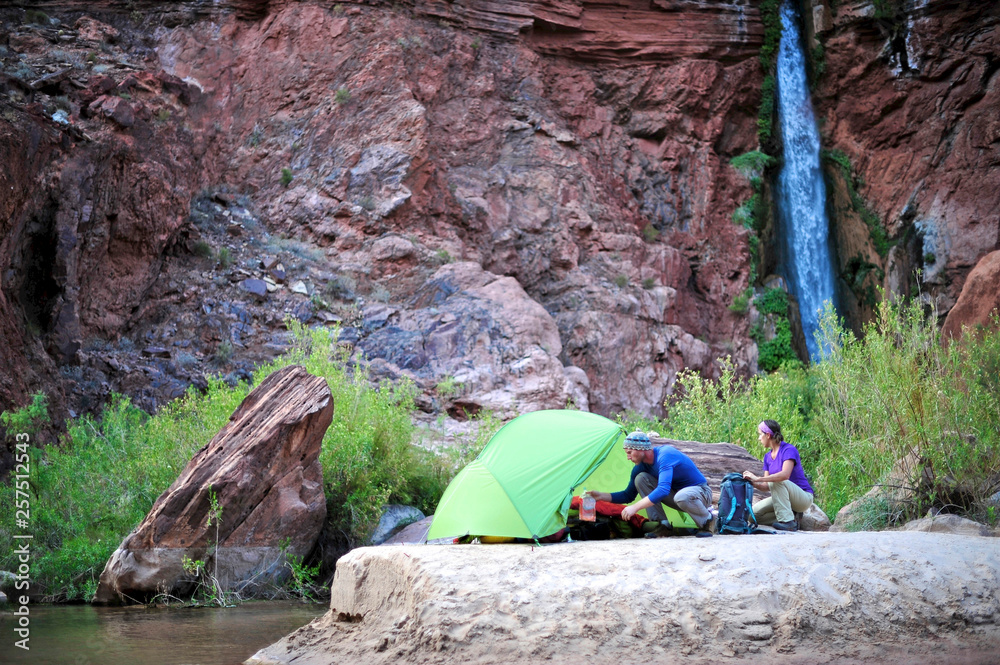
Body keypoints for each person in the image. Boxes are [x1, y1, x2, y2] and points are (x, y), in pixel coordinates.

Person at [587, 431, 716, 538]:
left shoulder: (665, 455)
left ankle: (708, 521)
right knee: (641, 478)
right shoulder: (641, 467)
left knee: (681, 496)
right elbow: (628, 495)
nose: (628, 457)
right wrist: (601, 496)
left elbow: (663, 490)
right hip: (678, 496)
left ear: (641, 449)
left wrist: (635, 508)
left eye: (629, 452)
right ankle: (662, 526)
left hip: (700, 493)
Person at [743, 419, 813, 532]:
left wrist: (759, 478)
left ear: (768, 435)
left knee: (776, 480)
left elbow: (784, 475)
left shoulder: (789, 450)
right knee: (753, 515)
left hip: (803, 498)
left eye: (760, 435)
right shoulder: (767, 457)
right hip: (784, 498)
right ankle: (791, 517)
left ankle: (788, 522)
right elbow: (766, 486)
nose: (759, 438)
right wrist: (751, 482)